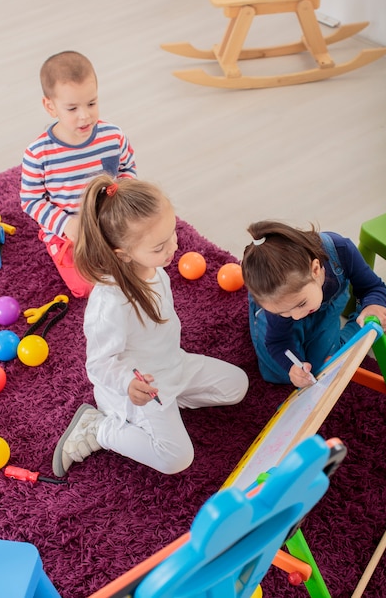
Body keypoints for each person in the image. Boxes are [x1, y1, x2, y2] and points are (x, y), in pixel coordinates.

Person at [52, 174, 248, 476]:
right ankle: (99, 427)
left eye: (172, 233)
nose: (173, 247)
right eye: (159, 247)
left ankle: (163, 408)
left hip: (172, 365)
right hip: (140, 387)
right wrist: (128, 385)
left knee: (237, 386)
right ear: (123, 254)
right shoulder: (111, 303)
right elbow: (99, 364)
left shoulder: (153, 269)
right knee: (176, 458)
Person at [20, 51, 137, 298]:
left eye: (92, 103)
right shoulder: (38, 154)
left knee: (140, 263)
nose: (85, 115)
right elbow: (31, 201)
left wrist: (118, 200)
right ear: (50, 106)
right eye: (72, 108)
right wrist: (65, 224)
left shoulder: (113, 137)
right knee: (86, 287)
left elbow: (127, 171)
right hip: (68, 233)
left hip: (109, 221)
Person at [241, 220, 386, 388]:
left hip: (328, 303)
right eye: (284, 311)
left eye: (301, 304)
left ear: (315, 270)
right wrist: (292, 368)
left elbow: (372, 287)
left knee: (324, 367)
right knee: (280, 373)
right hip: (280, 310)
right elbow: (277, 341)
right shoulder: (277, 300)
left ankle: (359, 325)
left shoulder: (342, 250)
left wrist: (374, 304)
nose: (297, 316)